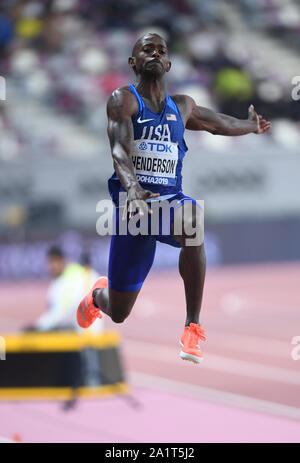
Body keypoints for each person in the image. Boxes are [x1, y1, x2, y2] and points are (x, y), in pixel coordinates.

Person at [77, 33, 271, 363]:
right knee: (120, 311)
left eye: (161, 51)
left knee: (193, 219)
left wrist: (250, 126)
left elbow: (217, 124)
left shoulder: (182, 106)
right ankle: (96, 297)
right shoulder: (123, 100)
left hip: (169, 204)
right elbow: (118, 149)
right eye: (146, 50)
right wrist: (134, 189)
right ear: (132, 62)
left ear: (168, 64)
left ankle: (192, 326)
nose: (154, 54)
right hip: (133, 211)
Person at [31, 245, 102, 333]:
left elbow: (62, 311)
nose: (51, 266)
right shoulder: (60, 281)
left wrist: (40, 326)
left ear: (63, 261)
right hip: (83, 332)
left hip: (84, 337)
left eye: (54, 261)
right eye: (49, 262)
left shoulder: (72, 278)